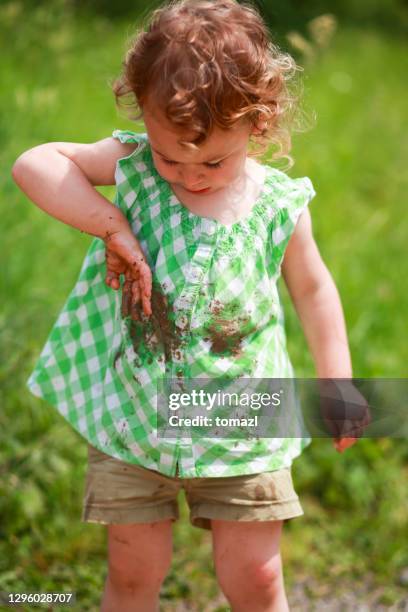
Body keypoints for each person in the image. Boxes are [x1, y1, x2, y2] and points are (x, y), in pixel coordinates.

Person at [12, 1, 370, 610]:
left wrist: (337, 380)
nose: (191, 176)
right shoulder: (135, 170)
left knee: (255, 579)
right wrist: (111, 226)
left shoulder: (278, 204)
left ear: (258, 124)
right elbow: (34, 164)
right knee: (131, 574)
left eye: (213, 161)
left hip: (242, 430)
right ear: (143, 118)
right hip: (135, 423)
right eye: (170, 156)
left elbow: (314, 290)